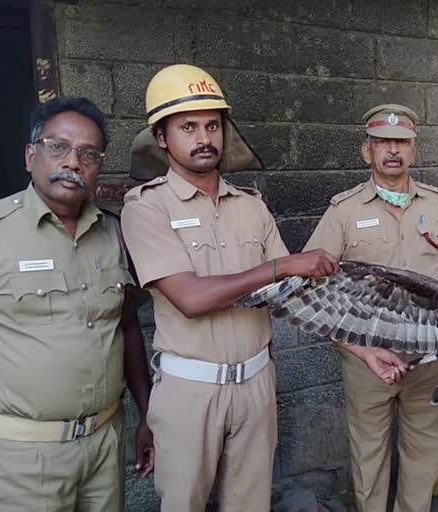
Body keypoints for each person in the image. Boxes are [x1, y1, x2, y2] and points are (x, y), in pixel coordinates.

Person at [120, 64, 339, 512]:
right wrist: (281, 265)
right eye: (188, 127)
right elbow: (190, 298)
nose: (205, 137)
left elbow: (291, 291)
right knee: (184, 504)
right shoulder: (145, 209)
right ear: (162, 138)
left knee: (250, 505)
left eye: (212, 125)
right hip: (189, 391)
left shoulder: (251, 206)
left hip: (256, 382)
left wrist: (366, 342)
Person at [0, 96, 154, 511]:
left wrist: (147, 415)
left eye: (88, 153)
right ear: (30, 155)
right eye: (58, 147)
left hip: (105, 445)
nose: (73, 162)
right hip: (21, 455)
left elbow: (126, 328)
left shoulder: (113, 232)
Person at [303, 104, 438, 512]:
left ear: (413, 151)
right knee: (369, 460)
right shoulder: (344, 211)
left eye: (401, 143)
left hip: (431, 361)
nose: (393, 150)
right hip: (367, 361)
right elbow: (308, 287)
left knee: (424, 458)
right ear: (366, 151)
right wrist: (358, 348)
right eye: (383, 142)